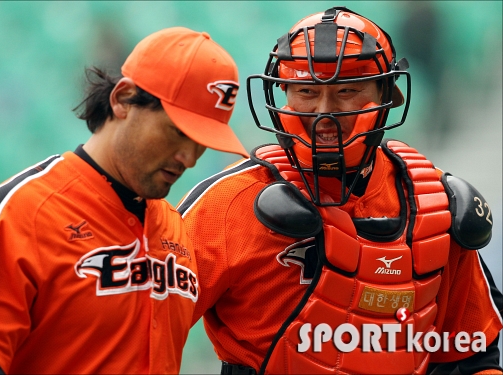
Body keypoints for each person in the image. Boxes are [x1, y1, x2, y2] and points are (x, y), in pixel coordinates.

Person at [178, 7, 503, 374]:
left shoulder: (436, 204)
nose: (323, 113)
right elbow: (148, 330)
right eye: (305, 91)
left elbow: (471, 355)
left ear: (386, 95)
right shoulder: (228, 201)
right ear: (282, 95)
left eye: (346, 91)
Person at [0, 26, 248, 374]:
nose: (189, 157)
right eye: (179, 132)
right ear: (123, 98)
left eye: (202, 141)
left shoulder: (175, 226)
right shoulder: (21, 210)